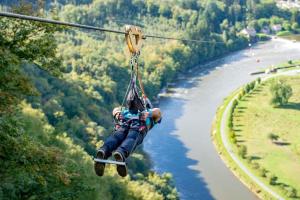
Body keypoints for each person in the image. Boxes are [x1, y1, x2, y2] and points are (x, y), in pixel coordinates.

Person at [94, 105, 162, 177]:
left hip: (124, 123)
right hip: (139, 125)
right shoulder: (150, 116)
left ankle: (104, 150)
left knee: (116, 138)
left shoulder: (128, 111)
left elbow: (115, 109)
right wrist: (149, 114)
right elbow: (158, 112)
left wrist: (117, 114)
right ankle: (121, 152)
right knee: (132, 138)